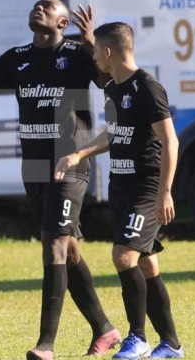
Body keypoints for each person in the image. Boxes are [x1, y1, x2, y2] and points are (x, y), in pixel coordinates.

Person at [0, 0, 120, 360]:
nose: (39, 8)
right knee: (69, 250)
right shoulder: (17, 58)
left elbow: (111, 82)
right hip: (33, 166)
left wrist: (92, 42)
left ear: (63, 23)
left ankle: (46, 345)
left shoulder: (78, 54)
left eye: (48, 6)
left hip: (70, 163)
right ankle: (106, 329)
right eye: (37, 6)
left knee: (54, 246)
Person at [54, 22, 185, 359]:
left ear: (109, 52)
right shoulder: (113, 88)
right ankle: (171, 344)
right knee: (147, 266)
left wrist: (165, 192)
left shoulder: (147, 87)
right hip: (121, 188)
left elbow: (170, 141)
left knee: (123, 256)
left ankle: (137, 338)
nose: (93, 55)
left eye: (96, 50)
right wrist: (79, 153)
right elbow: (115, 133)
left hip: (147, 187)